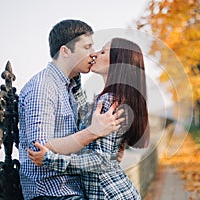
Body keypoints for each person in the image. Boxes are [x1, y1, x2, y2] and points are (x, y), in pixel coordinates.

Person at [27, 38, 150, 200]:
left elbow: (101, 161)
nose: (95, 54)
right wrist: (75, 74)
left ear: (116, 62)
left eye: (103, 51)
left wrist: (51, 160)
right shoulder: (117, 99)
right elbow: (84, 113)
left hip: (109, 195)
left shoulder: (108, 102)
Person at [18, 19, 124, 200]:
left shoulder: (71, 87)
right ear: (65, 51)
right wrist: (92, 132)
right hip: (52, 193)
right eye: (87, 47)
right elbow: (40, 150)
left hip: (74, 189)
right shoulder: (43, 87)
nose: (93, 54)